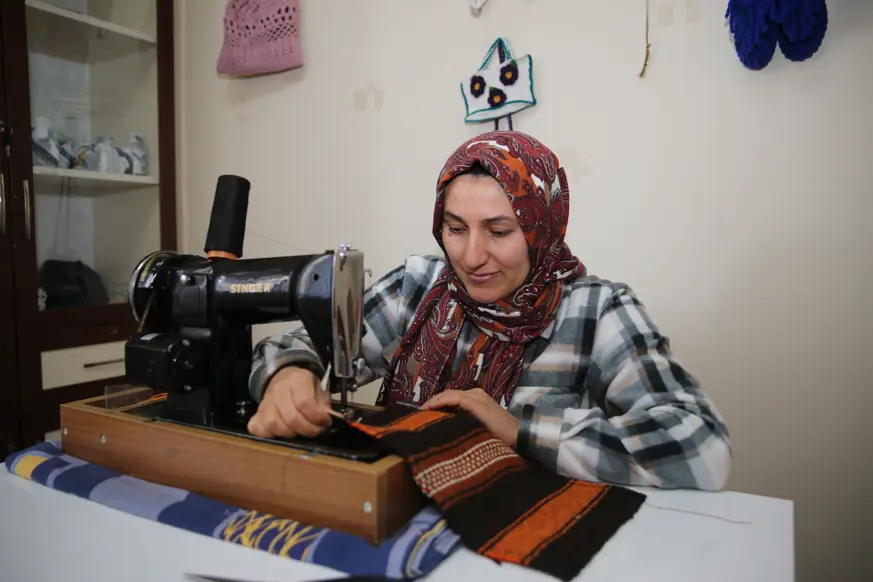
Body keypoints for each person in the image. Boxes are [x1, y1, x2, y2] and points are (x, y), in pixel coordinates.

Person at [247, 131, 732, 491]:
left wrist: (520, 431)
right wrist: (289, 374)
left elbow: (702, 447)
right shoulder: (420, 286)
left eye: (499, 232)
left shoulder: (596, 312)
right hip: (401, 521)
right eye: (456, 229)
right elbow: (293, 345)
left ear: (542, 229)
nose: (471, 257)